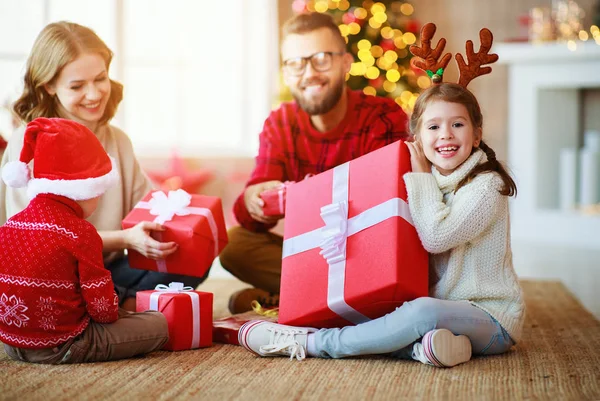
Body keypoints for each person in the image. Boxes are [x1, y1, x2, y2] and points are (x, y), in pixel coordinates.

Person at [236, 82, 525, 368]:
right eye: (433, 127)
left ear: (476, 135)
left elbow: (436, 237)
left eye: (458, 125)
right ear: (418, 140)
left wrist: (420, 176)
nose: (445, 135)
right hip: (446, 316)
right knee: (384, 311)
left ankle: (313, 343)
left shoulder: (487, 185)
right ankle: (425, 349)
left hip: (491, 317)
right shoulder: (426, 182)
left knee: (420, 313)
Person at [0, 21, 205, 311]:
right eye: (77, 86)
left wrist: (184, 221)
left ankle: (117, 304)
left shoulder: (117, 139)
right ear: (48, 86)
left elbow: (146, 204)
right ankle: (123, 305)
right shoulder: (30, 142)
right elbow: (36, 240)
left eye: (100, 78)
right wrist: (124, 239)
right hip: (53, 276)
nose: (94, 94)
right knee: (67, 285)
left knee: (193, 257)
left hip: (107, 272)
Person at [222, 12, 410, 313]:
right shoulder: (280, 123)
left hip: (367, 251)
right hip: (315, 253)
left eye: (321, 58)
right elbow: (247, 216)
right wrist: (255, 198)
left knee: (395, 263)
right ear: (286, 72)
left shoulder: (382, 116)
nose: (308, 73)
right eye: (295, 63)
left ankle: (290, 300)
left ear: (346, 63)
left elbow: (391, 207)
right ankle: (343, 302)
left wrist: (310, 196)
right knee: (234, 244)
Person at [0, 117, 168, 364]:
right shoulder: (80, 232)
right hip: (63, 344)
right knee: (159, 324)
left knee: (128, 314)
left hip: (11, 344)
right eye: (100, 192)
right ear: (83, 190)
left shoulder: (9, 227)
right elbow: (102, 311)